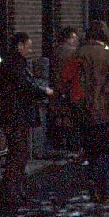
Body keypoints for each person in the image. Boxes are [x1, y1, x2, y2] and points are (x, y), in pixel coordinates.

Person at [0, 32, 54, 206]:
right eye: (27, 46)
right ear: (19, 46)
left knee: (19, 153)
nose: (29, 50)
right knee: (18, 153)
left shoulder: (13, 63)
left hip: (16, 114)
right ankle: (11, 192)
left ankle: (15, 190)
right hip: (16, 115)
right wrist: (43, 91)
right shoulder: (16, 65)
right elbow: (25, 86)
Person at [77, 21, 109, 203]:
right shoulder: (108, 54)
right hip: (105, 109)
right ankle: (102, 188)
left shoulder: (78, 53)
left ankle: (91, 180)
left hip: (82, 109)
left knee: (90, 150)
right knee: (105, 150)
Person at [47, 26, 81, 157]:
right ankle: (71, 144)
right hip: (69, 89)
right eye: (73, 37)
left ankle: (58, 141)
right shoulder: (72, 53)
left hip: (57, 89)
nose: (75, 40)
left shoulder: (55, 51)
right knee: (70, 117)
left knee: (59, 116)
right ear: (68, 38)